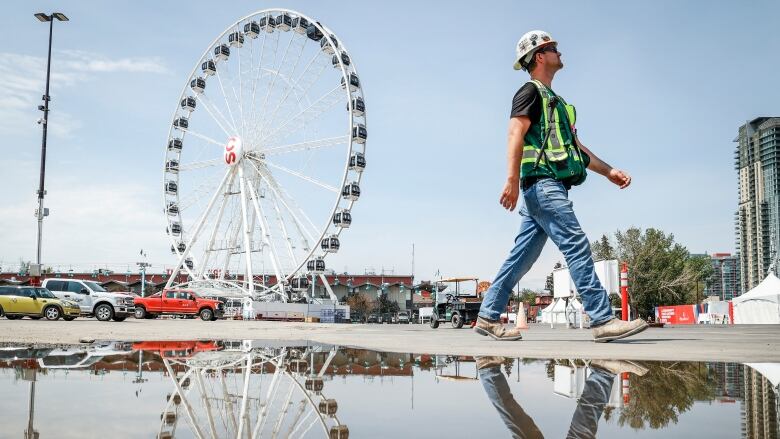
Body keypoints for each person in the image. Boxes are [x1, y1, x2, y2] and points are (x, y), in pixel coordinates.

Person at [474, 30, 648, 342]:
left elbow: (576, 149)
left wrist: (608, 171)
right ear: (539, 56)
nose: (560, 52)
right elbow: (515, 133)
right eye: (553, 48)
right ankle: (602, 319)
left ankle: (487, 316)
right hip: (541, 184)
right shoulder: (529, 92)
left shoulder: (559, 104)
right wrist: (511, 180)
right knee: (576, 243)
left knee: (521, 258)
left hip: (543, 189)